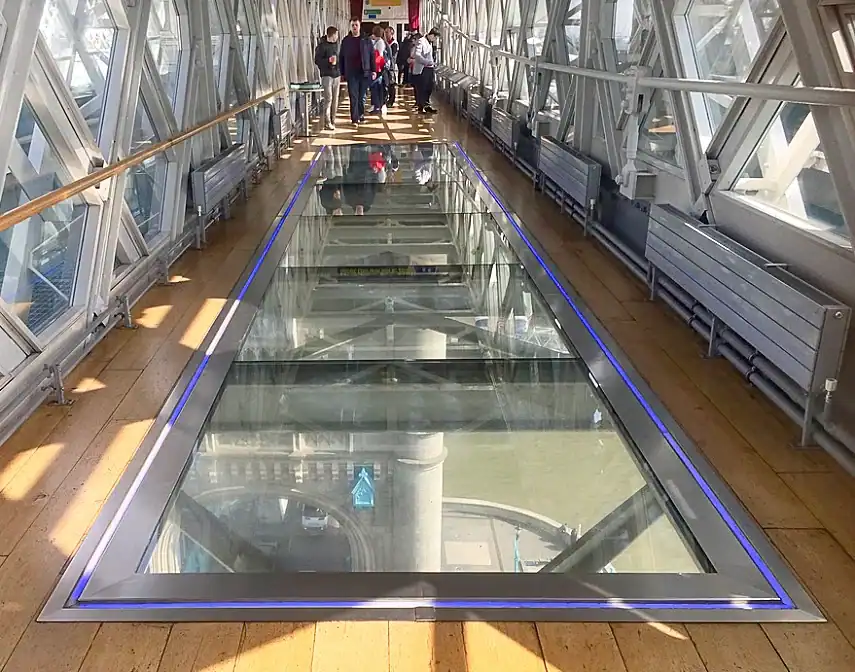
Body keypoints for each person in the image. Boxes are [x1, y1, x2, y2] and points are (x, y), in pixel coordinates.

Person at [339, 18, 375, 124]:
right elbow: (341, 56)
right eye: (353, 25)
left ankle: (361, 114)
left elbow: (372, 55)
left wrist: (373, 70)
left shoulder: (366, 40)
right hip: (351, 72)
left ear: (359, 26)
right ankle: (354, 118)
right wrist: (342, 72)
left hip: (364, 71)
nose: (354, 27)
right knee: (353, 95)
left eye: (356, 25)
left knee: (362, 96)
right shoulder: (346, 41)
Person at [314, 26, 340, 130]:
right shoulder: (321, 46)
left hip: (336, 74)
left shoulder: (337, 45)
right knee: (328, 98)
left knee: (335, 99)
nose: (337, 37)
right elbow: (317, 61)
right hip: (327, 75)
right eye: (336, 35)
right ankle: (327, 121)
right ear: (332, 35)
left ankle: (333, 119)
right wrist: (328, 61)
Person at [410, 28, 439, 115]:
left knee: (429, 87)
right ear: (432, 35)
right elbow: (417, 55)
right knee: (422, 88)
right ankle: (421, 106)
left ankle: (426, 105)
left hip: (429, 68)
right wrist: (427, 62)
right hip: (423, 69)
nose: (435, 40)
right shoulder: (421, 41)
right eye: (435, 38)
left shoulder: (429, 43)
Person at [369, 26, 389, 116]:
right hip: (378, 68)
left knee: (376, 87)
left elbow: (379, 55)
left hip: (378, 68)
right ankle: (377, 105)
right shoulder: (378, 41)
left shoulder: (380, 42)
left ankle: (377, 105)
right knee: (376, 87)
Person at [384, 26, 399, 107]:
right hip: (386, 67)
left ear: (392, 33)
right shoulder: (385, 43)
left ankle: (391, 100)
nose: (386, 34)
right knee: (386, 84)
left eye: (387, 32)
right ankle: (386, 99)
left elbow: (392, 56)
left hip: (391, 67)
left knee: (391, 84)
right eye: (385, 32)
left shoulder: (394, 44)